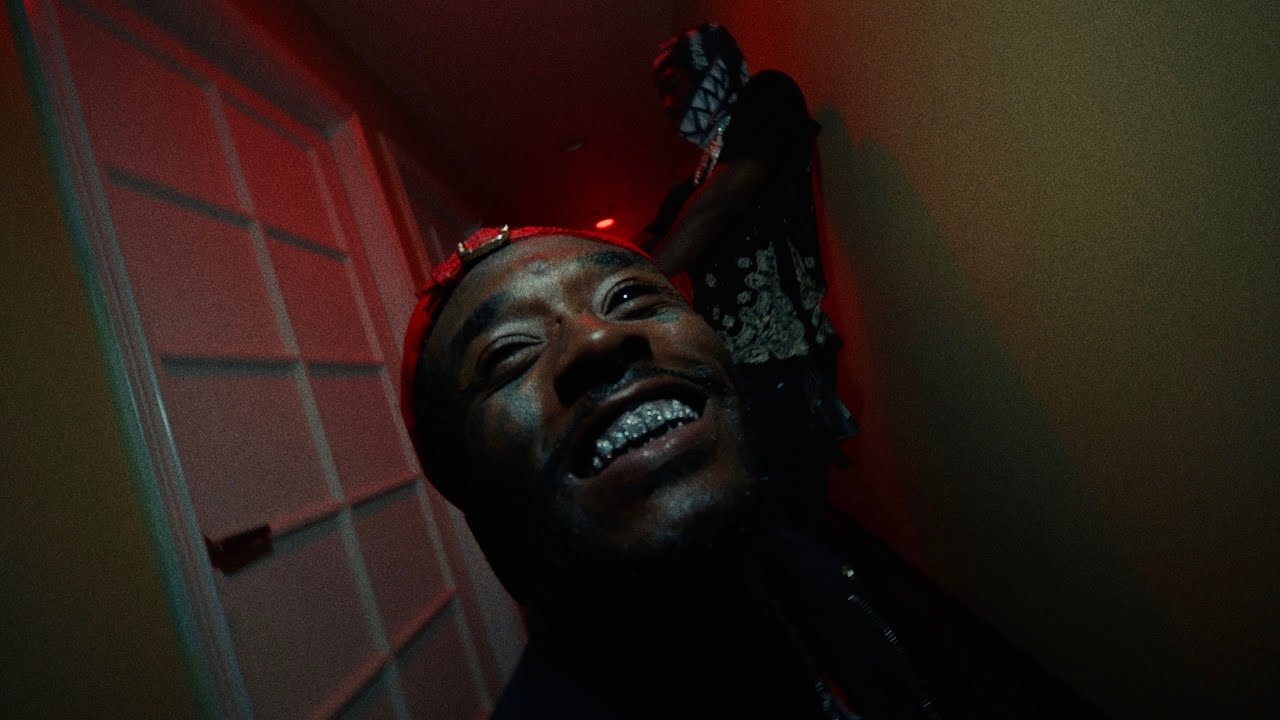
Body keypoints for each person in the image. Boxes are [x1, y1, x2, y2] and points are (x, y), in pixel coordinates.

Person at [400, 225, 937, 719]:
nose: (596, 338)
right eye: (507, 354)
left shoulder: (833, 576)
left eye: (629, 297)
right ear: (487, 519)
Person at [637, 23, 855, 529]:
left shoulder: (768, 97)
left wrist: (636, 287)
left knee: (791, 518)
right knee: (759, 517)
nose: (667, 104)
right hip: (737, 376)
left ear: (709, 68)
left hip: (786, 367)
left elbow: (716, 206)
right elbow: (646, 241)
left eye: (673, 84)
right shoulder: (695, 176)